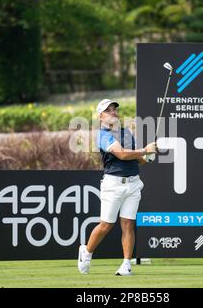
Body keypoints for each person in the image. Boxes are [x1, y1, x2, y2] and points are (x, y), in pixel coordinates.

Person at [78, 98, 158, 276]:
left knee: (128, 224)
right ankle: (87, 252)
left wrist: (148, 156)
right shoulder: (103, 135)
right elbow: (121, 154)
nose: (113, 112)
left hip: (133, 183)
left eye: (114, 109)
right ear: (100, 116)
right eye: (108, 110)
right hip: (113, 184)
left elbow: (137, 159)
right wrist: (145, 150)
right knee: (106, 225)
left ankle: (126, 265)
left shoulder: (126, 133)